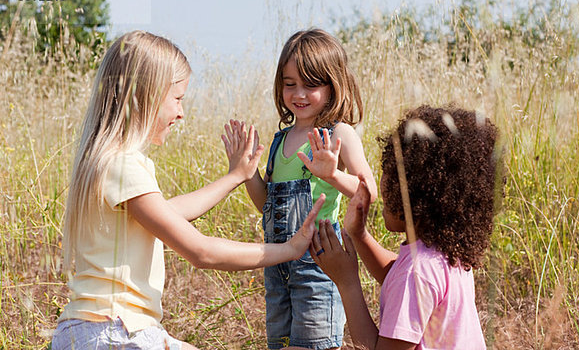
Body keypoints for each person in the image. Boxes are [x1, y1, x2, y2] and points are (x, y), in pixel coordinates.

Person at [51, 31, 325, 350]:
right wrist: (289, 250)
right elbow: (201, 252)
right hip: (116, 330)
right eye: (178, 98)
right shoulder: (123, 165)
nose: (181, 113)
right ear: (146, 95)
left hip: (88, 330)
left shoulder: (105, 161)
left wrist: (235, 176)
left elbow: (171, 212)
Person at [226, 29, 377, 349]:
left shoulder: (339, 133)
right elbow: (268, 205)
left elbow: (368, 192)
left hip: (318, 266)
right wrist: (245, 173)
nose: (299, 94)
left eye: (311, 84)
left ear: (333, 84)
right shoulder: (281, 140)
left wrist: (334, 174)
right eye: (289, 83)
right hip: (277, 266)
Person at [311, 105, 501, 349]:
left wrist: (347, 282)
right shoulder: (446, 253)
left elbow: (409, 279)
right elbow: (397, 276)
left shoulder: (417, 272)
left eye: (390, 178)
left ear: (418, 194)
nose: (382, 188)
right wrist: (360, 236)